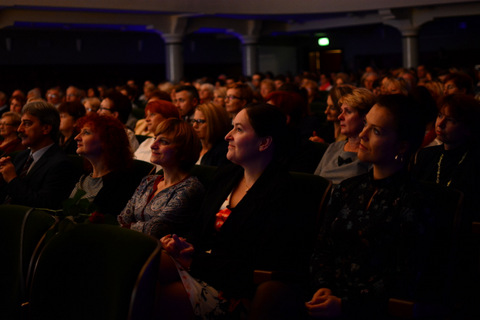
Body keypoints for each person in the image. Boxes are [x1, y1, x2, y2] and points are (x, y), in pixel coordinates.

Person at [158, 104, 302, 319]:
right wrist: (183, 246)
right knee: (147, 264)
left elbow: (260, 262)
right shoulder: (227, 176)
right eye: (231, 128)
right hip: (200, 270)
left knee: (157, 292)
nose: (227, 136)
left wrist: (195, 261)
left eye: (238, 129)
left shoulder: (283, 192)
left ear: (264, 142)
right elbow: (199, 230)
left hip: (236, 289)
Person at [308, 94, 432, 319]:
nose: (362, 134)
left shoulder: (415, 200)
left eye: (376, 131)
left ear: (402, 146)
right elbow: (322, 247)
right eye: (365, 124)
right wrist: (323, 287)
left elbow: (404, 275)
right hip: (328, 298)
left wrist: (345, 305)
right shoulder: (348, 188)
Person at [118, 118, 204, 239]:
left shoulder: (190, 188)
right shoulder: (149, 181)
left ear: (183, 151)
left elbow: (155, 229)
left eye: (163, 142)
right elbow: (123, 219)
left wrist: (126, 228)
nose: (153, 145)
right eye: (155, 139)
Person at [413, 94, 480, 223]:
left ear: (467, 127)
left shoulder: (475, 160)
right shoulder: (425, 155)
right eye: (440, 115)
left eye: (451, 120)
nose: (440, 123)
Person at [0, 101, 79, 209]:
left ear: (46, 128)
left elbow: (43, 204)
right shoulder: (21, 156)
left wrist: (12, 179)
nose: (20, 129)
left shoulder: (61, 164)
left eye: (27, 123)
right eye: (21, 123)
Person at [69, 113, 141, 217]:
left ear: (107, 140)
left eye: (86, 133)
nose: (76, 137)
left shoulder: (122, 184)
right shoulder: (82, 175)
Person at [314, 88, 375, 185]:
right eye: (341, 111)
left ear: (365, 117)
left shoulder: (371, 154)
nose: (340, 117)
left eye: (348, 112)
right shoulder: (333, 147)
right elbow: (314, 183)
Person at [134, 100, 180, 170]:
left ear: (167, 117)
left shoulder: (172, 145)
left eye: (152, 114)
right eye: (146, 115)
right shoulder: (147, 142)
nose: (147, 119)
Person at [191, 102, 231, 166]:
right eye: (194, 121)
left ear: (215, 123)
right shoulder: (194, 147)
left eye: (200, 121)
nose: (194, 125)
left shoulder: (224, 152)